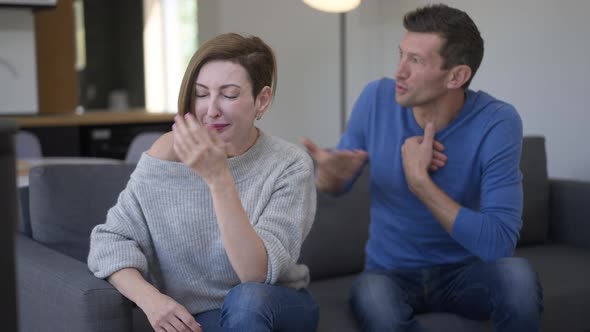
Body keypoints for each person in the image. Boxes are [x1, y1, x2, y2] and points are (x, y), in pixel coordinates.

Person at [303, 4, 543, 332]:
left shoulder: (497, 121)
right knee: (374, 298)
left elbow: (499, 243)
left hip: (465, 273)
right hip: (387, 275)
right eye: (401, 55)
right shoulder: (375, 98)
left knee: (519, 277)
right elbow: (335, 184)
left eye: (415, 61)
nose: (399, 71)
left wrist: (420, 182)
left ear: (457, 76)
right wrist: (330, 175)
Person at [88, 33, 319, 332]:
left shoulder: (289, 164)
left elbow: (255, 273)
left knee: (246, 300)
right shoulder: (166, 156)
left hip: (275, 304)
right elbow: (109, 242)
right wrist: (152, 300)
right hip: (201, 317)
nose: (211, 110)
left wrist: (218, 178)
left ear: (262, 100)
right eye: (201, 93)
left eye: (229, 94)